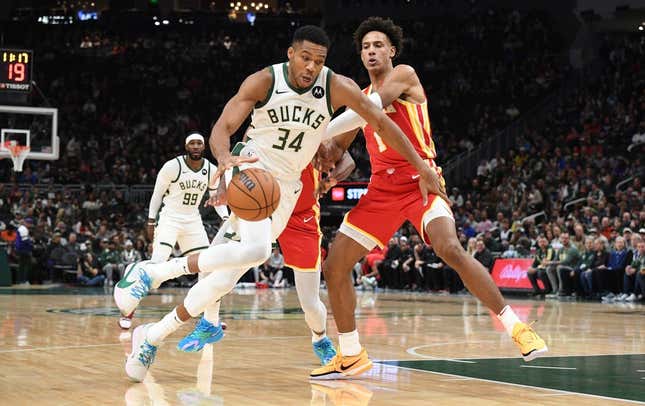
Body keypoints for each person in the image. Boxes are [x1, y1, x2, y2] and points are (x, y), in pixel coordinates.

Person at [115, 25, 442, 382]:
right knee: (254, 251)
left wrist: (422, 166)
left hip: (285, 186)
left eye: (319, 61)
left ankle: (152, 336)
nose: (311, 67)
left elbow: (379, 121)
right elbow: (222, 128)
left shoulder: (335, 86)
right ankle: (155, 272)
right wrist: (223, 159)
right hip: (253, 168)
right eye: (305, 57)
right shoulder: (264, 81)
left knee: (226, 278)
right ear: (291, 53)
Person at [310, 17, 547, 380]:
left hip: (420, 180)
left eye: (378, 45)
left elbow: (368, 109)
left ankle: (517, 327)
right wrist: (324, 162)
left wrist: (314, 131)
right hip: (381, 191)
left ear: (391, 50)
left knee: (449, 247)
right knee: (334, 266)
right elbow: (336, 149)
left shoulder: (404, 75)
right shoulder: (357, 98)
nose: (371, 51)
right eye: (365, 47)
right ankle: (352, 353)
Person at [117, 133, 229, 330]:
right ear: (186, 147)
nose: (196, 146)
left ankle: (209, 319)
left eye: (199, 143)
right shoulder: (172, 166)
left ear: (203, 147)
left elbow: (216, 197)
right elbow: (157, 194)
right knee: (157, 265)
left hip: (193, 220)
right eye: (192, 143)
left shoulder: (211, 169)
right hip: (170, 218)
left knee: (208, 268)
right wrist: (151, 221)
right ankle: (128, 310)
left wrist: (226, 217)